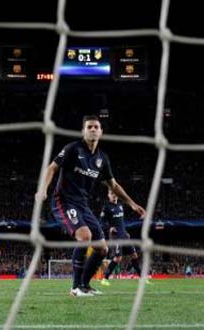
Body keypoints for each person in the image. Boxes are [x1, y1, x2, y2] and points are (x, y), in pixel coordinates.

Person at [37, 115, 146, 297]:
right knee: (85, 236)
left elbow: (114, 186)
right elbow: (51, 168)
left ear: (101, 132)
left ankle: (85, 285)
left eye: (96, 127)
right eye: (89, 127)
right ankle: (75, 288)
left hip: (83, 205)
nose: (93, 129)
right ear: (83, 131)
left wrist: (132, 204)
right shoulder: (72, 149)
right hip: (63, 201)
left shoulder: (102, 159)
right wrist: (43, 190)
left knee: (102, 248)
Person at [99, 189, 146, 286]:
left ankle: (142, 278)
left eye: (115, 193)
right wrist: (110, 228)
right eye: (112, 193)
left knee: (134, 255)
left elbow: (121, 221)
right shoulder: (106, 207)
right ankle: (104, 278)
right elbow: (102, 223)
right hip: (116, 236)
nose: (114, 195)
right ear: (108, 195)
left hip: (124, 234)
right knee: (117, 258)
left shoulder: (120, 205)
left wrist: (125, 232)